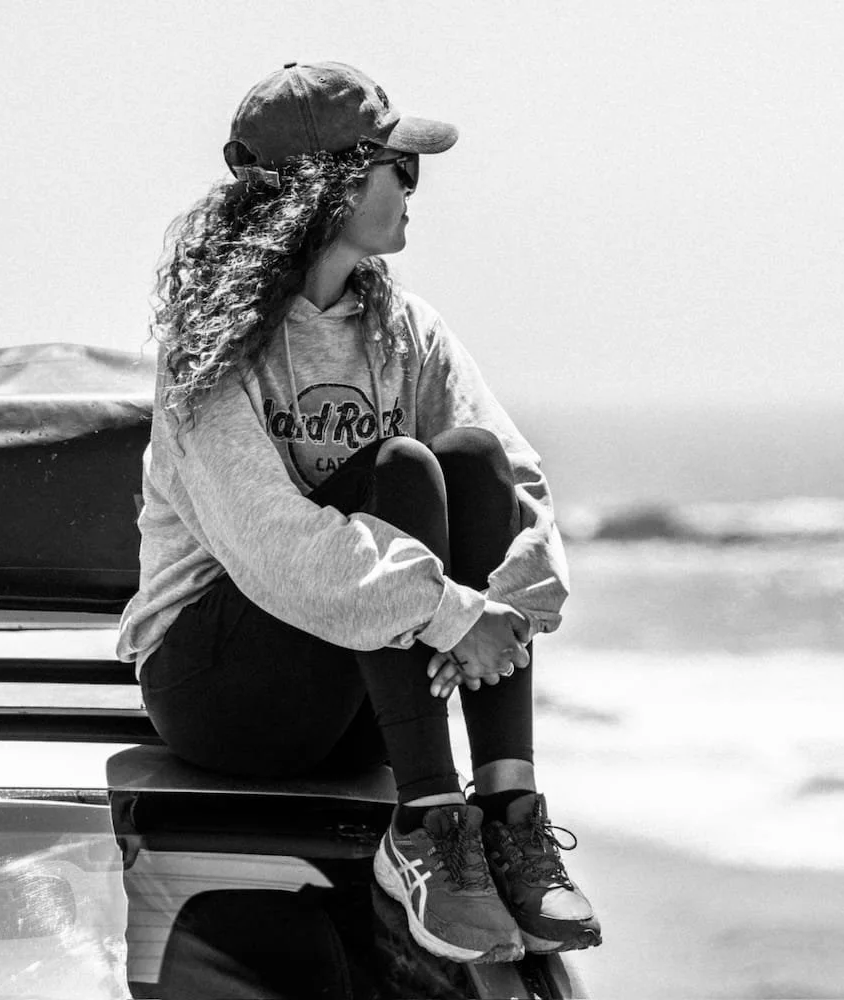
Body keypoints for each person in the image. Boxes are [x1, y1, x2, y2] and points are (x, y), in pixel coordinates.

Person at [115, 61, 601, 964]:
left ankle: (507, 812)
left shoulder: (404, 327)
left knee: (469, 458)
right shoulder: (209, 352)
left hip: (366, 688)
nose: (414, 188)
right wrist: (448, 614)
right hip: (225, 693)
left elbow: (519, 481)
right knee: (400, 468)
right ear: (329, 187)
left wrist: (507, 614)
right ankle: (426, 822)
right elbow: (274, 546)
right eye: (399, 167)